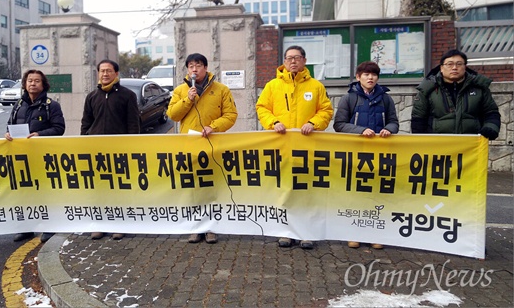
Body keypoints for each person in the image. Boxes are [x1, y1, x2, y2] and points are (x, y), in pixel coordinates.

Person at [256, 45, 334, 249]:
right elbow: (262, 108)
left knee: (307, 190)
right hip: (281, 147)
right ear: (284, 61)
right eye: (289, 58)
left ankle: (306, 233)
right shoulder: (273, 85)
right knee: (284, 189)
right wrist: (273, 122)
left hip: (308, 147)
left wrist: (313, 123)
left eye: (296, 58)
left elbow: (326, 110)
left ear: (304, 61)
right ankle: (286, 231)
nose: (292, 61)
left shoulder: (315, 86)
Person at [167, 53, 238, 244]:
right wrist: (187, 100)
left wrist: (213, 126)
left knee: (211, 186)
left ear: (206, 68)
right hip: (189, 146)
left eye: (198, 65)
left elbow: (231, 115)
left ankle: (211, 228)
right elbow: (172, 115)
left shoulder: (221, 89)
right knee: (193, 188)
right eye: (190, 66)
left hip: (213, 145)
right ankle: (195, 227)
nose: (194, 69)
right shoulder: (181, 90)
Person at [333, 61, 399, 250]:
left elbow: (394, 122)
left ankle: (375, 234)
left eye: (374, 74)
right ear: (358, 77)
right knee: (356, 194)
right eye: (366, 74)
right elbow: (339, 125)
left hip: (380, 153)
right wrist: (361, 130)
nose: (370, 78)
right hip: (356, 153)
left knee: (377, 194)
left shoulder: (386, 99)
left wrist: (388, 129)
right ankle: (354, 233)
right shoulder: (349, 98)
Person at [81, 59, 140, 240]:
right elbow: (86, 123)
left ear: (116, 74)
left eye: (109, 71)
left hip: (120, 151)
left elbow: (133, 123)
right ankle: (100, 223)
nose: (105, 74)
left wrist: (132, 147)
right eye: (102, 71)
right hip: (96, 151)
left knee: (119, 188)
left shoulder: (127, 95)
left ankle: (119, 224)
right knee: (99, 188)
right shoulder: (92, 96)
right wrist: (84, 143)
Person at [5, 70, 66, 243]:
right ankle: (26, 227)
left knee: (46, 192)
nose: (32, 84)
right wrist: (7, 134)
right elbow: (10, 125)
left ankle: (50, 226)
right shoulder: (18, 105)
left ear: (43, 84)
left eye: (37, 81)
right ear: (25, 84)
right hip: (22, 157)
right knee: (25, 192)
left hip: (44, 156)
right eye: (29, 80)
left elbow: (59, 128)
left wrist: (40, 134)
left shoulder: (51, 105)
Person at [411, 49, 500, 140]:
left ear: (465, 67)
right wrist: (421, 143)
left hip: (471, 145)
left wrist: (490, 128)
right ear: (441, 68)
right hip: (437, 146)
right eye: (449, 64)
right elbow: (418, 119)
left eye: (459, 64)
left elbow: (491, 113)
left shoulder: (479, 88)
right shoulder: (428, 89)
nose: (454, 67)